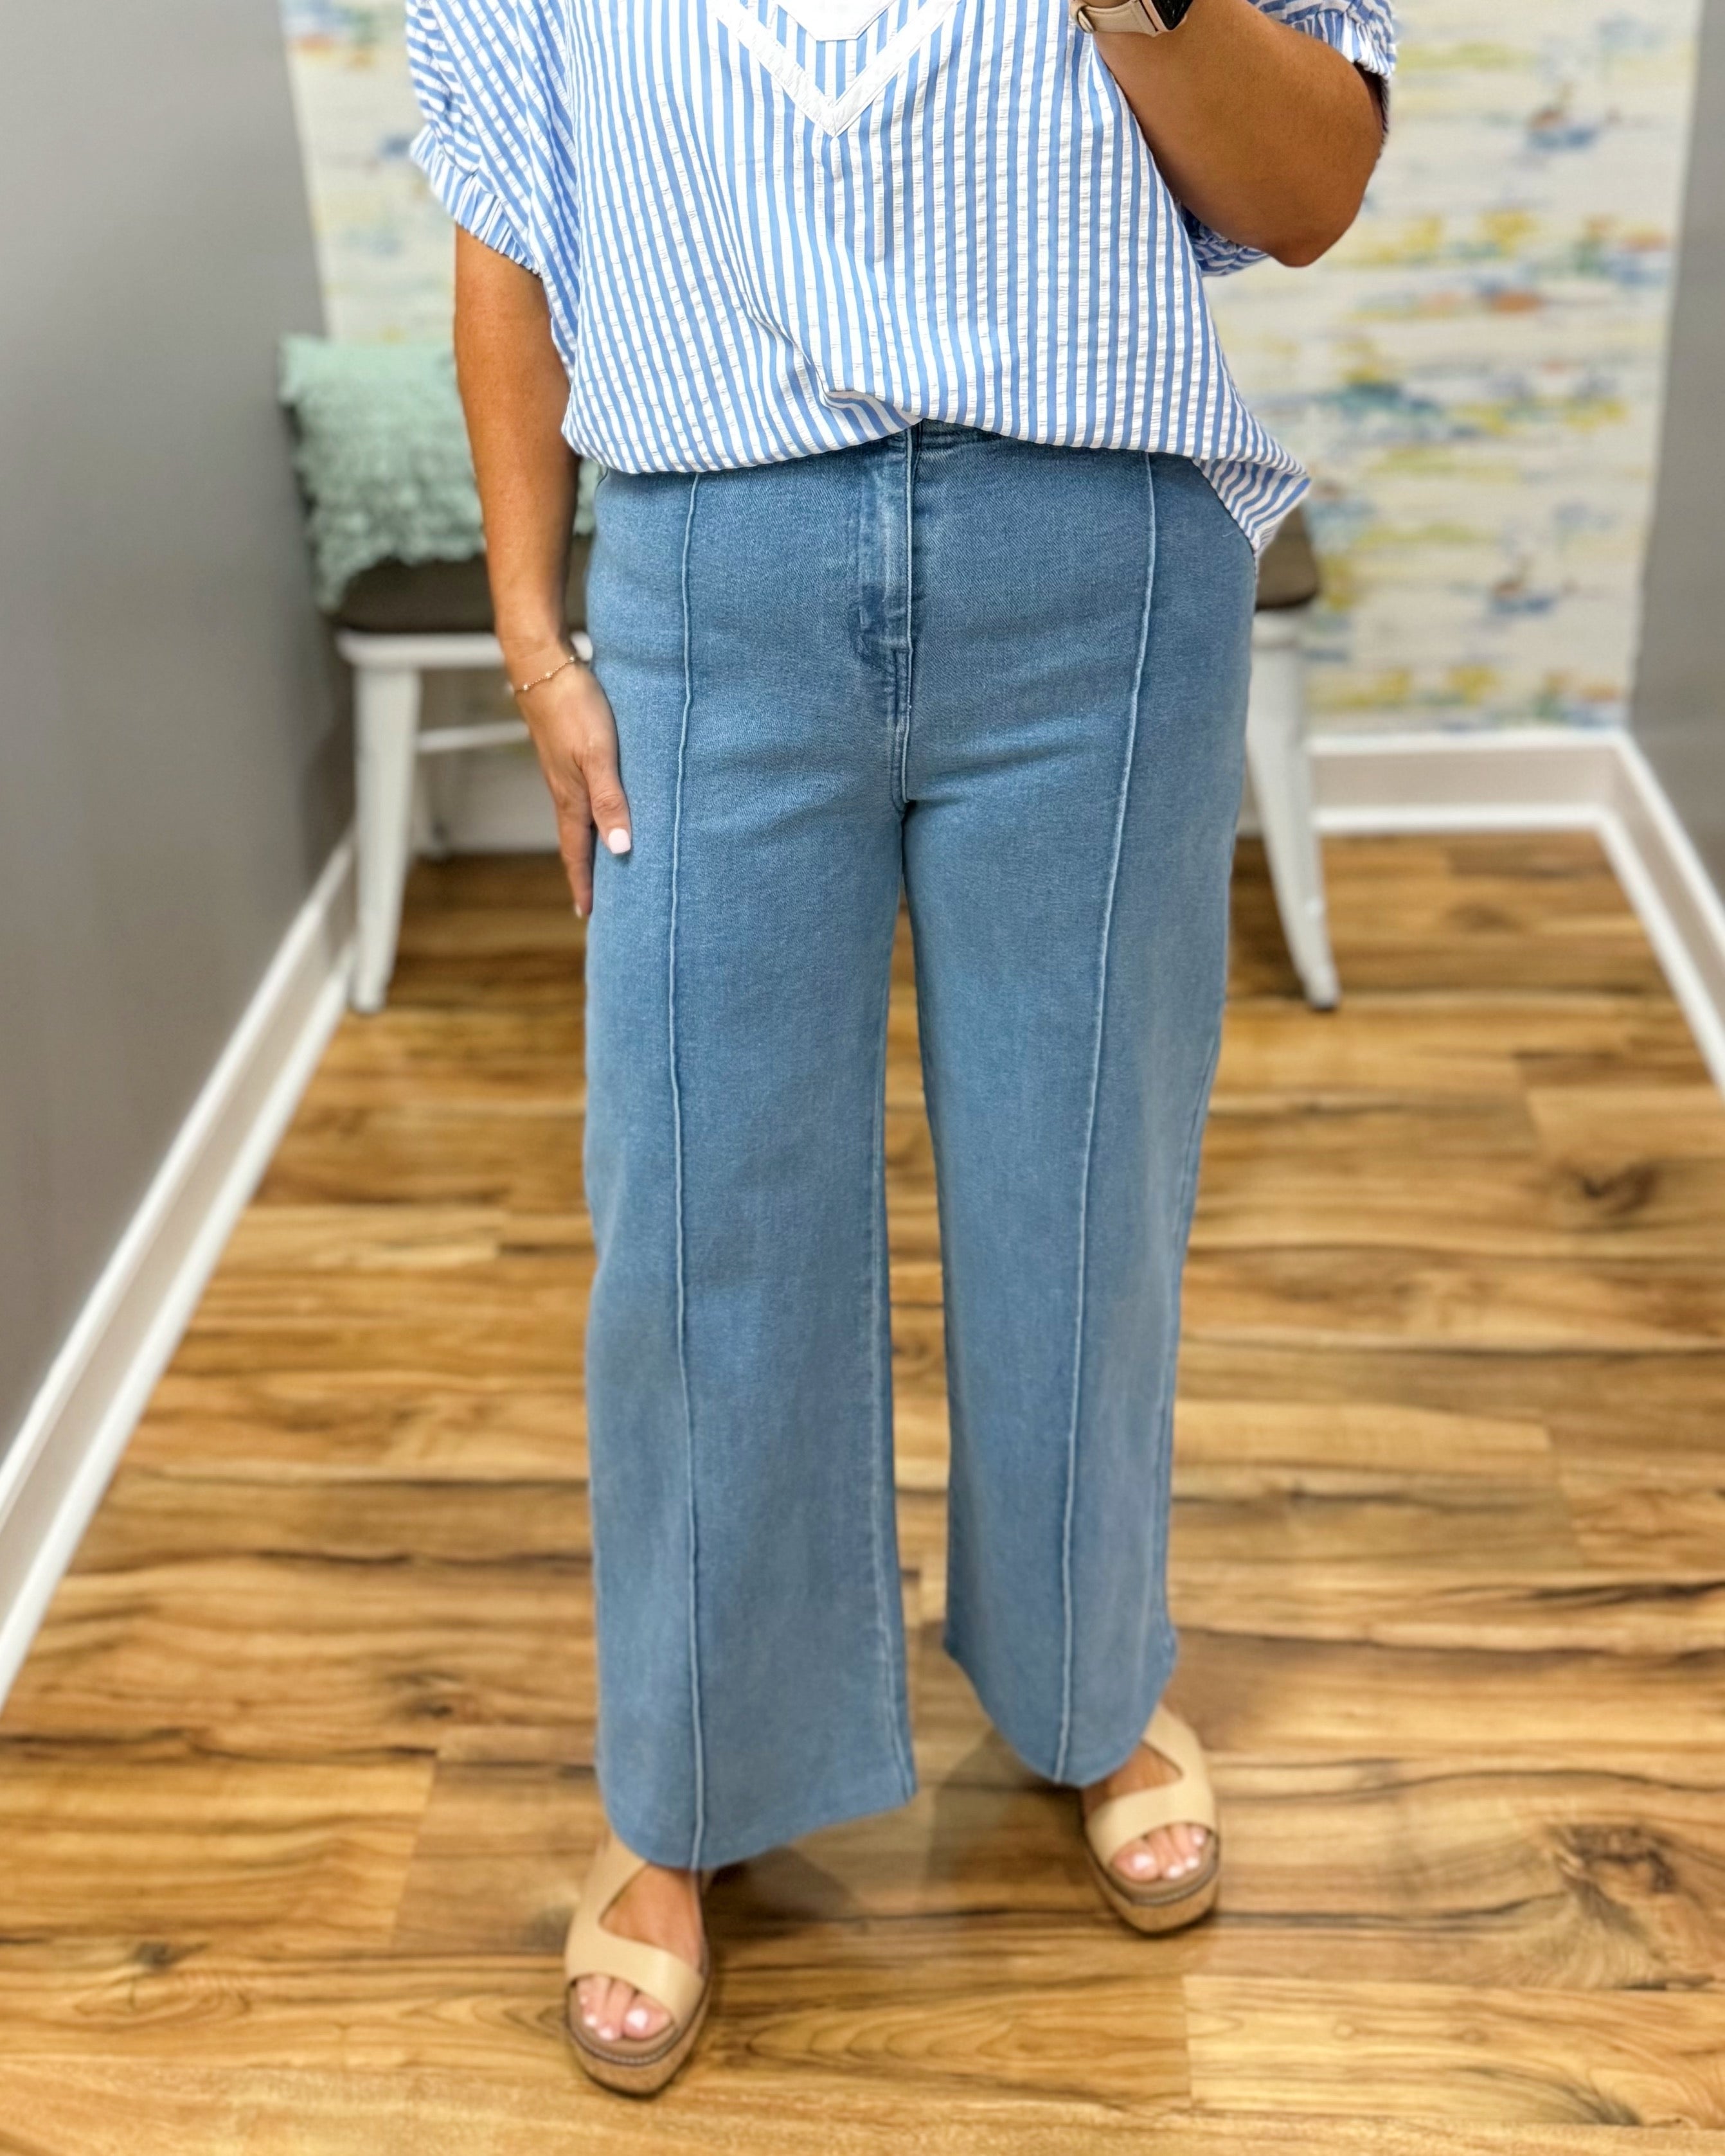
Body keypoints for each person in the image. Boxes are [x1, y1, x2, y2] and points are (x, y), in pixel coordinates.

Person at [409, 0, 1391, 2096]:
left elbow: (1305, 190)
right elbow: (515, 217)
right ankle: (687, 1784)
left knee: (1082, 1184)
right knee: (697, 1219)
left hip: (1094, 562)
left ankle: (1086, 1682)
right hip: (712, 573)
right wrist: (530, 628)